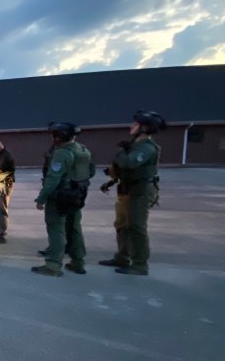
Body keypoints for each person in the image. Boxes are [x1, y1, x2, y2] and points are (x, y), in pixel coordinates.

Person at [98, 110, 166, 276]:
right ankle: (122, 257)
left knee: (136, 226)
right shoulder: (135, 144)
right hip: (127, 188)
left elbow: (129, 163)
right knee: (122, 225)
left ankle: (140, 264)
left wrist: (122, 152)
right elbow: (124, 170)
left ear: (145, 128)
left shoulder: (146, 147)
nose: (132, 126)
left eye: (135, 124)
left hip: (140, 191)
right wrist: (111, 181)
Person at [32, 122, 94, 277]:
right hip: (78, 195)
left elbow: (52, 179)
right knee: (74, 228)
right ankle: (78, 262)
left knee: (56, 229)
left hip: (61, 197)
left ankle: (53, 265)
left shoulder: (62, 153)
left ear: (60, 136)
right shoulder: (83, 149)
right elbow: (90, 172)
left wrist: (41, 198)